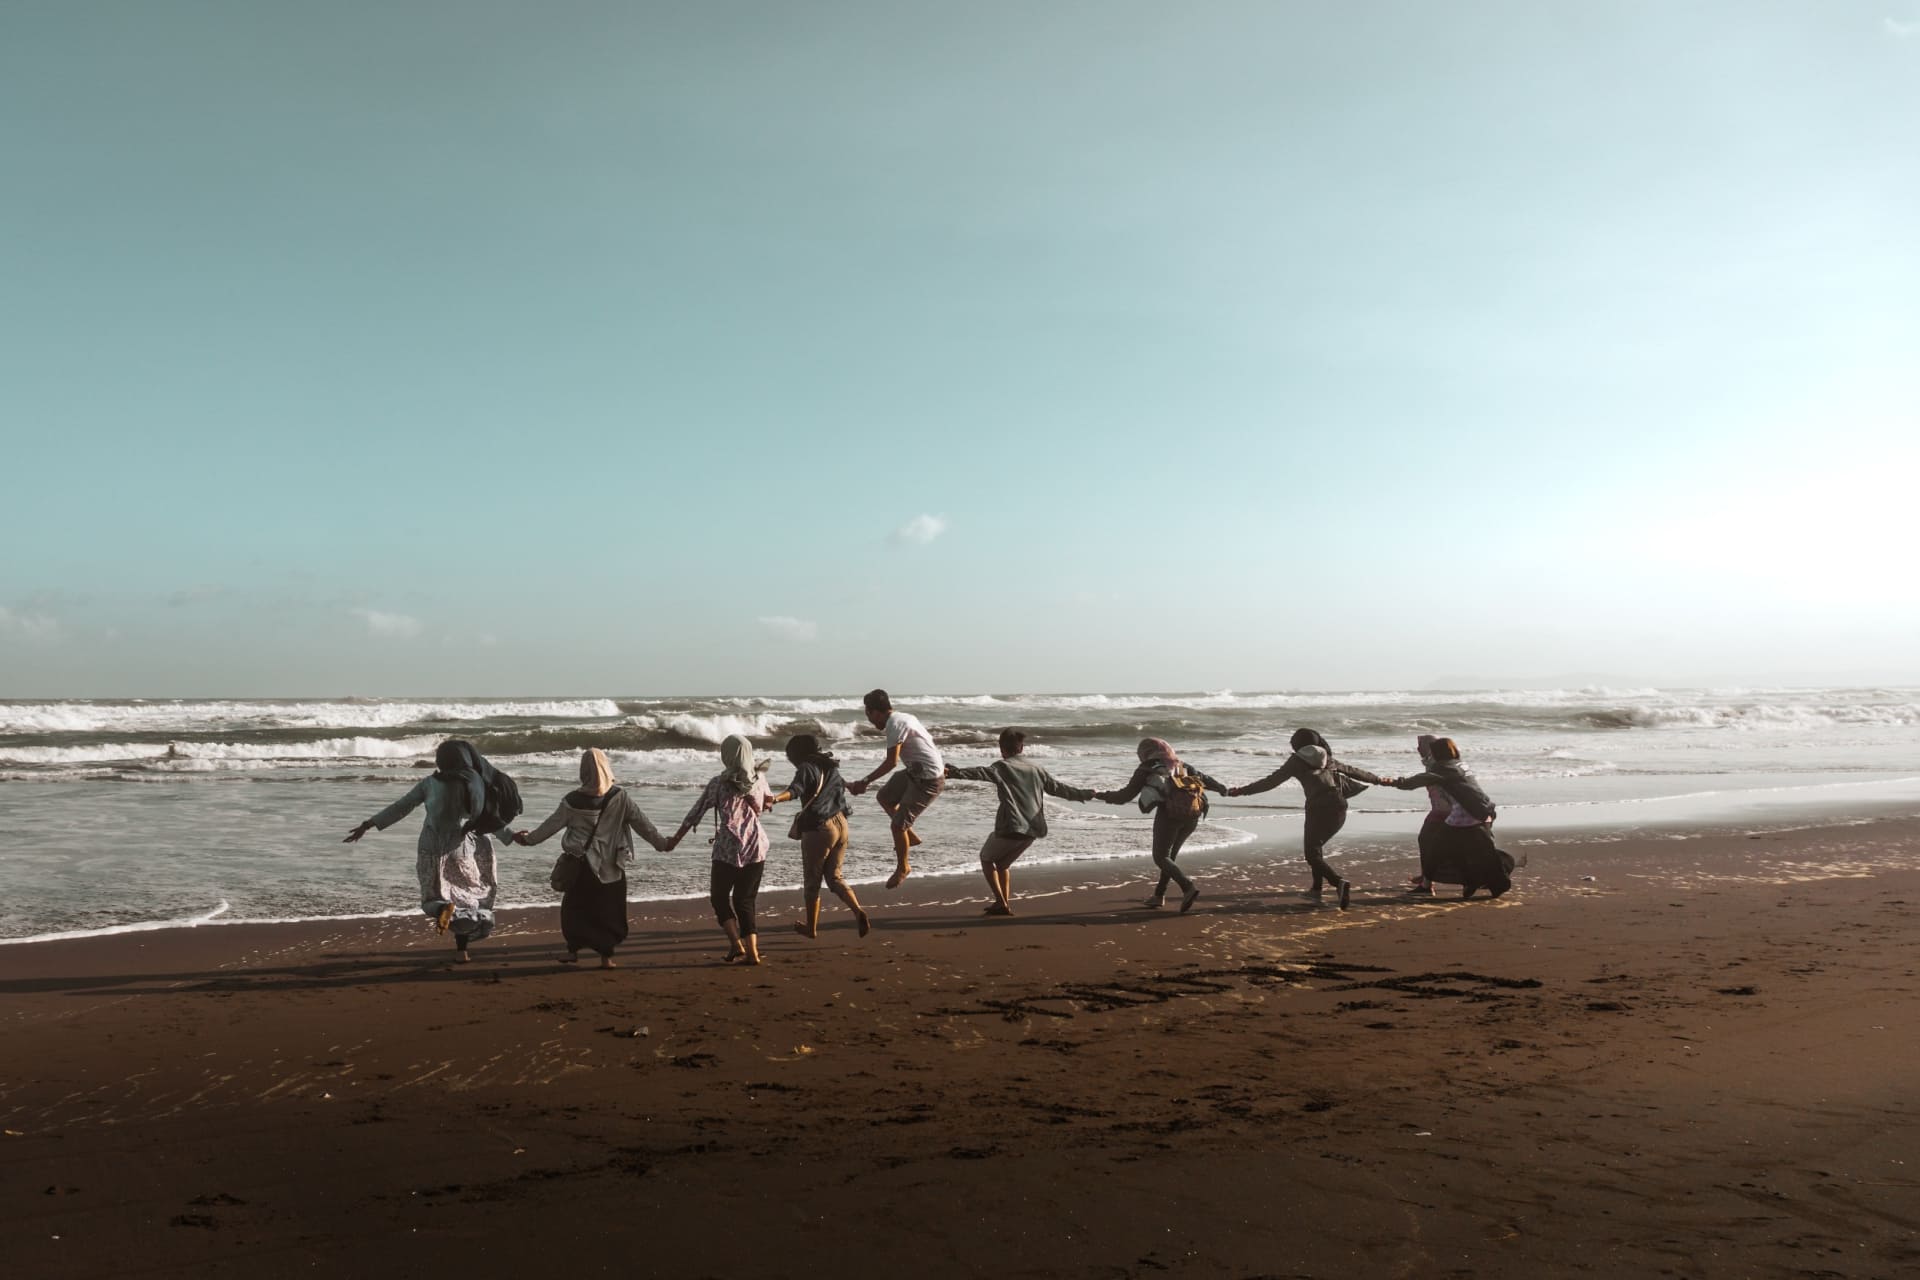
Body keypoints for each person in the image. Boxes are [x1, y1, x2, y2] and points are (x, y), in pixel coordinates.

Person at [343, 739, 506, 962]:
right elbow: (490, 818)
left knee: (433, 895)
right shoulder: (474, 784)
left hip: (431, 847)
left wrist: (368, 824)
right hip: (461, 847)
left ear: (440, 761)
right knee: (467, 897)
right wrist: (511, 836)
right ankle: (462, 952)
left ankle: (441, 910)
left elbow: (402, 807)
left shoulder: (429, 783)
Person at [513, 748, 669, 968]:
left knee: (575, 909)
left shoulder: (572, 801)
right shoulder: (620, 797)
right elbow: (644, 825)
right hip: (612, 865)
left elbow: (549, 827)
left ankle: (573, 952)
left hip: (581, 864)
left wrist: (527, 839)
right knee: (608, 910)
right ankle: (606, 958)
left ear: (583, 770)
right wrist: (662, 844)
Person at [1225, 728, 1390, 910]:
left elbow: (1271, 782)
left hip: (1318, 807)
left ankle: (1338, 883)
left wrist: (1241, 791)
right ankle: (1316, 889)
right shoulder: (1327, 757)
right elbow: (1351, 770)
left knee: (1312, 853)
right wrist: (1378, 779)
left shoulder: (1297, 760)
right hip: (1339, 805)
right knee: (1315, 848)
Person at [945, 728, 1097, 916]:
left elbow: (980, 773)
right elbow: (1060, 789)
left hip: (1011, 826)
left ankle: (1001, 902)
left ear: (1001, 748)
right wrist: (1085, 794)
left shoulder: (1002, 767)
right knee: (1002, 865)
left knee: (986, 858)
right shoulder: (1037, 769)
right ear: (1022, 748)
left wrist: (952, 772)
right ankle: (1002, 904)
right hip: (1033, 829)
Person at [665, 734, 772, 964]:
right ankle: (752, 953)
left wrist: (675, 840)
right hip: (756, 846)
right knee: (745, 900)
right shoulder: (759, 778)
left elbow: (696, 812)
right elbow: (767, 803)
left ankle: (736, 944)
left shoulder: (719, 783)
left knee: (719, 898)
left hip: (728, 849)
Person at [1095, 738, 1226, 913]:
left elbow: (1124, 796)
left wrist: (1100, 795)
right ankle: (1158, 895)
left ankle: (1188, 887)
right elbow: (1205, 779)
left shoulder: (1146, 768)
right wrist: (1223, 789)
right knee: (1170, 857)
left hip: (1169, 816)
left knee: (1160, 857)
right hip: (1193, 815)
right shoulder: (1182, 765)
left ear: (1145, 753)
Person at [764, 733, 870, 939]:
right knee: (835, 877)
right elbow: (840, 793)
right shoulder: (830, 766)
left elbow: (795, 790)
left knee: (812, 882)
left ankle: (811, 928)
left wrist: (775, 799)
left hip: (820, 828)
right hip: (841, 823)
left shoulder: (806, 768)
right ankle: (858, 911)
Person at [1389, 736, 1521, 899]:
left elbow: (1416, 781)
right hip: (1482, 810)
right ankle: (1473, 882)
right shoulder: (1459, 764)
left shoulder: (1444, 768)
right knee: (1472, 853)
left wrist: (1394, 782)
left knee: (1438, 851)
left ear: (1438, 753)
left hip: (1467, 816)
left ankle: (1494, 882)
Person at [846, 689, 944, 889]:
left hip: (928, 779)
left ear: (876, 712)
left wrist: (865, 781)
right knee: (884, 797)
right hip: (915, 771)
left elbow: (891, 763)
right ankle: (910, 836)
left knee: (897, 826)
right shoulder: (903, 717)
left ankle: (903, 867)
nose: (871, 721)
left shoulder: (895, 724)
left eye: (869, 715)